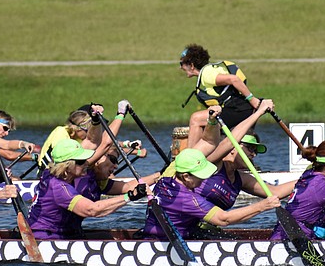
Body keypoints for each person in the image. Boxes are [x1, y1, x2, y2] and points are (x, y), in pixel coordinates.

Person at [142, 147, 281, 240]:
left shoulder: (168, 175)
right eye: (199, 175)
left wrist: (213, 121)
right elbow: (223, 219)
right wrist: (262, 206)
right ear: (185, 176)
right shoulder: (187, 199)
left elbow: (209, 142)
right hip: (165, 242)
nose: (204, 179)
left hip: (157, 234)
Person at [28, 138, 147, 239]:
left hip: (66, 234)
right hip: (47, 238)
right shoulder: (59, 188)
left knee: (113, 237)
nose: (86, 164)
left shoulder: (53, 174)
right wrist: (130, 196)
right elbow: (92, 210)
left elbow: (96, 139)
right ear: (67, 165)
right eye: (81, 161)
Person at [179, 44, 261, 147]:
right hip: (236, 108)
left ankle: (191, 158)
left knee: (196, 119)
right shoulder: (210, 70)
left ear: (191, 65)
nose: (180, 67)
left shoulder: (207, 74)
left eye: (181, 63)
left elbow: (234, 79)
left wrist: (252, 100)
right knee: (206, 123)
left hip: (237, 109)